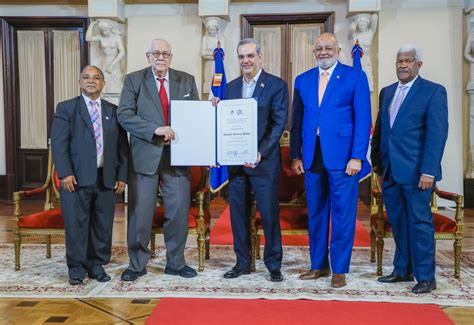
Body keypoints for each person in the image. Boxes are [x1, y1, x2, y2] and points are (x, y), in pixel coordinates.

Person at [290, 32, 371, 288]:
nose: (323, 52)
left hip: (344, 158)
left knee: (343, 214)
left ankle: (339, 269)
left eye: (328, 48)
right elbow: (296, 121)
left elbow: (363, 119)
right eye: (319, 49)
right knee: (316, 213)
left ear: (338, 50)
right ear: (314, 52)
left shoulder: (354, 76)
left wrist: (357, 156)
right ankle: (318, 265)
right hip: (312, 157)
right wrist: (295, 155)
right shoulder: (303, 80)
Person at [117, 38, 200, 281]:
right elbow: (124, 115)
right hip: (145, 156)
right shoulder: (134, 80)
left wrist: (211, 108)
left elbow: (195, 115)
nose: (161, 57)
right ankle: (137, 264)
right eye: (156, 53)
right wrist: (155, 129)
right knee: (140, 213)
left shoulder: (186, 80)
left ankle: (175, 262)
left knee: (178, 212)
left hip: (178, 156)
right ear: (148, 56)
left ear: (170, 57)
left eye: (165, 53)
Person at [371, 44, 448, 294]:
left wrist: (429, 171)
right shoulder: (387, 92)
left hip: (417, 174)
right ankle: (402, 269)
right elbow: (382, 131)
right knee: (399, 223)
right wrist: (377, 165)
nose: (403, 65)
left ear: (418, 65)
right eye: (399, 61)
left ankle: (426, 277)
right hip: (391, 171)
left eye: (408, 61)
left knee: (419, 223)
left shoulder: (433, 92)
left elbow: (437, 135)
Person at [213, 38, 288, 282]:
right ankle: (242, 263)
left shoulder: (276, 85)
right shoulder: (231, 87)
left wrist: (260, 152)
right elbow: (224, 124)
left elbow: (278, 125)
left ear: (260, 57)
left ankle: (273, 264)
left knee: (269, 215)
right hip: (236, 166)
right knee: (237, 216)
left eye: (250, 56)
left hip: (263, 164)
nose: (246, 61)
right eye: (241, 57)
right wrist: (215, 108)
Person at [51, 65, 128, 285]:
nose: (91, 81)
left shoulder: (113, 110)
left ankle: (96, 264)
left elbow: (123, 147)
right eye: (86, 77)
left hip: (106, 178)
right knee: (76, 224)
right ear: (79, 82)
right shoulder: (66, 108)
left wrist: (121, 176)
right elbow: (58, 143)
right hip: (75, 179)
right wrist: (64, 173)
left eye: (96, 78)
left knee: (102, 224)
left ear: (103, 83)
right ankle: (76, 267)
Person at [86, 19, 125, 94]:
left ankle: (116, 101)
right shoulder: (101, 37)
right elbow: (88, 38)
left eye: (105, 30)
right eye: (102, 30)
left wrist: (112, 65)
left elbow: (122, 52)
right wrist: (92, 25)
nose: (104, 32)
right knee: (104, 83)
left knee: (117, 84)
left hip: (115, 62)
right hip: (105, 62)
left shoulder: (116, 37)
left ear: (110, 28)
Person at [348, 13, 378, 91]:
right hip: (356, 61)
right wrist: (352, 26)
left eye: (364, 25)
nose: (362, 27)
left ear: (367, 25)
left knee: (367, 85)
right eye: (360, 25)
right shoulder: (355, 34)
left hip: (366, 60)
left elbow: (375, 18)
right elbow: (350, 33)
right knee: (356, 85)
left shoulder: (370, 33)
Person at [201, 17, 226, 96]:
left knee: (217, 83)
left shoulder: (221, 39)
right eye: (210, 30)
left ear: (217, 29)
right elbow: (203, 54)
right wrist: (215, 55)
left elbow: (222, 54)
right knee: (208, 81)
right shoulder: (205, 38)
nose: (211, 32)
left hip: (217, 65)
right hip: (208, 64)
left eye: (213, 30)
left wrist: (212, 54)